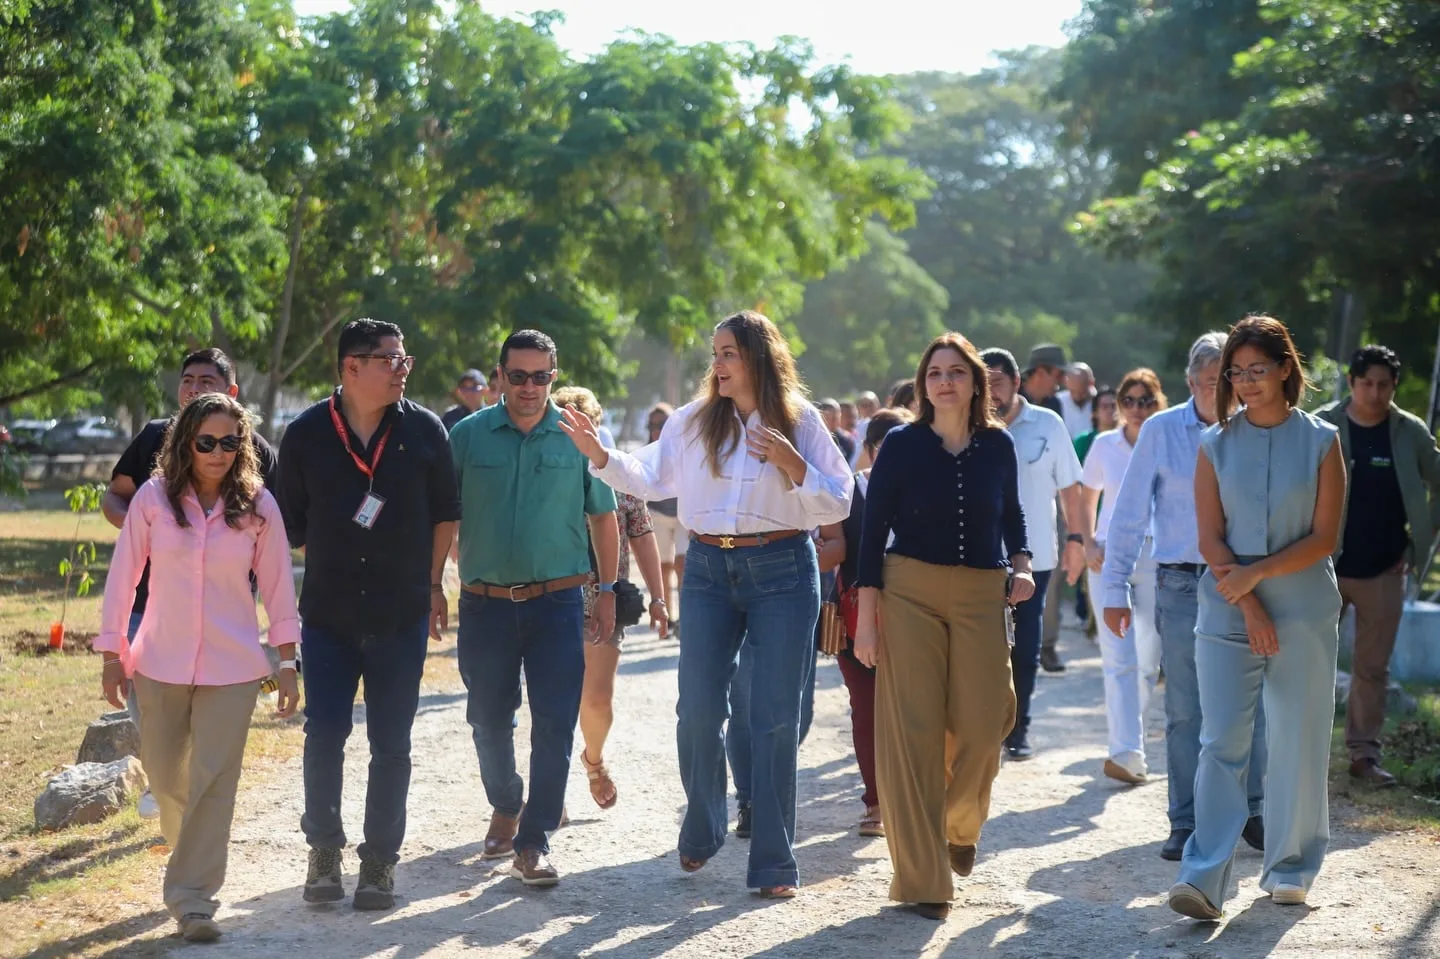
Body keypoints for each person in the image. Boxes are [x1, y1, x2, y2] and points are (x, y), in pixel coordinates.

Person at [560, 309, 852, 899]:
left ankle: (773, 861)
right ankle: (703, 822)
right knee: (695, 708)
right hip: (709, 572)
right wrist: (600, 456)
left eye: (728, 353)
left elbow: (839, 501)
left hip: (784, 571)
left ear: (759, 358)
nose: (716, 364)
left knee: (772, 718)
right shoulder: (693, 422)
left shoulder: (800, 420)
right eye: (714, 353)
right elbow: (647, 476)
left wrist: (794, 465)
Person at [96, 393, 299, 942]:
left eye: (230, 442)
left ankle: (193, 900)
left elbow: (280, 587)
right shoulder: (153, 501)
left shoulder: (259, 506)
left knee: (215, 783)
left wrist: (286, 659)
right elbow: (124, 578)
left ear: (242, 446)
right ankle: (191, 852)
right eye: (207, 441)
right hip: (158, 662)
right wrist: (113, 652)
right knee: (165, 779)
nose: (218, 452)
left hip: (232, 668)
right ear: (187, 441)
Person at [279, 318, 461, 910]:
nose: (402, 368)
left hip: (400, 615)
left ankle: (380, 862)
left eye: (405, 358)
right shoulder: (306, 433)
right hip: (328, 618)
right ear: (351, 367)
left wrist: (433, 583)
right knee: (324, 734)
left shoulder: (426, 429)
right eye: (390, 359)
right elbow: (290, 523)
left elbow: (445, 514)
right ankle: (324, 850)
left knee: (391, 742)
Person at [1168, 315, 1346, 919]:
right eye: (1235, 373)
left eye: (1257, 370)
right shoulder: (1213, 444)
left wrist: (1257, 577)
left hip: (1305, 607)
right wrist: (1245, 598)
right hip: (1226, 601)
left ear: (1286, 369)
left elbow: (1325, 537)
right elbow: (1210, 538)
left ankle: (1292, 868)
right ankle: (1203, 877)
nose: (1245, 383)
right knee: (1221, 741)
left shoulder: (1323, 442)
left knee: (1298, 739)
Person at [852, 333, 1033, 921]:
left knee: (987, 722)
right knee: (915, 734)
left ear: (976, 381)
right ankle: (924, 881)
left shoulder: (998, 445)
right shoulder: (901, 444)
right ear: (923, 383)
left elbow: (1011, 513)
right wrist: (868, 621)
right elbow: (873, 530)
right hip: (909, 593)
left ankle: (960, 825)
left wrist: (1023, 565)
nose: (945, 382)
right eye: (934, 373)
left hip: (984, 592)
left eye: (957, 371)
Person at [450, 331, 619, 888]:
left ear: (554, 375)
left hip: (558, 603)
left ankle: (535, 840)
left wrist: (610, 590)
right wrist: (436, 581)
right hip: (485, 605)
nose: (529, 387)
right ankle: (506, 801)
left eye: (540, 376)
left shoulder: (578, 438)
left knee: (554, 723)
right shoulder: (467, 437)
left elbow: (602, 515)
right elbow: (443, 515)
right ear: (498, 376)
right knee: (487, 718)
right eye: (517, 376)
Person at [1101, 332, 1267, 862]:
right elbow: (1127, 513)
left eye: (1238, 378)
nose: (1230, 388)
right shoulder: (1160, 430)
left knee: (1252, 701)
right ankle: (1186, 820)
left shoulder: (1258, 427)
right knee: (1185, 709)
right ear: (1193, 382)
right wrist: (1115, 587)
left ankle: (1254, 812)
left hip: (1246, 581)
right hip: (1180, 581)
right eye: (1219, 379)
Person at [102, 347, 279, 821]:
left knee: (209, 715)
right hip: (147, 605)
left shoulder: (255, 451)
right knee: (153, 707)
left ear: (232, 394)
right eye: (188, 380)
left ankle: (186, 797)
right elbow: (116, 497)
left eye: (207, 380)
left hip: (224, 611)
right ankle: (167, 780)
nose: (195, 389)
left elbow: (271, 536)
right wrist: (148, 534)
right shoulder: (153, 438)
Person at [1317, 345, 1440, 787]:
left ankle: (1363, 755)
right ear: (1351, 381)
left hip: (1386, 568)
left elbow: (1437, 484)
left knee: (1372, 668)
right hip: (1321, 566)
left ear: (1393, 387)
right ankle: (1299, 752)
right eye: (1366, 383)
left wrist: (1414, 548)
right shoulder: (1323, 424)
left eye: (1383, 385)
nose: (1374, 393)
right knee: (1308, 659)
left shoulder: (1410, 432)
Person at [551, 385, 669, 811]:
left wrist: (658, 598)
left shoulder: (618, 474)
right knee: (553, 699)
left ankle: (593, 761)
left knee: (596, 698)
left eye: (588, 426)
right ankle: (550, 787)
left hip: (604, 600)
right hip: (548, 600)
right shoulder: (542, 475)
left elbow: (641, 534)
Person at [982, 348, 1084, 759]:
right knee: (983, 652)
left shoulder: (1047, 425)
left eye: (997, 384)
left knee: (1024, 649)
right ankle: (985, 728)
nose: (990, 394)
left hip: (1037, 558)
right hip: (980, 559)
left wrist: (1076, 538)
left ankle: (1018, 728)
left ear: (1016, 383)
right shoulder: (967, 429)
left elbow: (1070, 488)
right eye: (983, 385)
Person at [1075, 368, 1167, 784]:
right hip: (1109, 557)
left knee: (1147, 659)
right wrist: (1086, 542)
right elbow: (1084, 496)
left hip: (1156, 556)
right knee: (1118, 657)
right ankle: (1126, 751)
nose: (1135, 408)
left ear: (1157, 403)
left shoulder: (1167, 441)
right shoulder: (1103, 445)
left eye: (1144, 400)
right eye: (1127, 401)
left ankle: (1135, 741)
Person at [834, 406, 913, 839]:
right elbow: (833, 548)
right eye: (885, 446)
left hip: (915, 619)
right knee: (866, 711)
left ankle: (910, 800)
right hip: (855, 618)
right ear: (868, 450)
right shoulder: (848, 491)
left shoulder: (928, 491)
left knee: (912, 714)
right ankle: (875, 802)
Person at [645, 403, 686, 635]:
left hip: (682, 515)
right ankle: (666, 618)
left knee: (683, 565)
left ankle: (683, 618)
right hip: (657, 514)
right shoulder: (647, 452)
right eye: (652, 425)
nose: (656, 430)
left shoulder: (685, 449)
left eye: (662, 425)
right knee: (663, 566)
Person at [1073, 386, 1118, 465]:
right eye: (1105, 407)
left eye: (1113, 406)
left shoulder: (1127, 439)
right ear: (1095, 413)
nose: (1110, 410)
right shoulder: (1083, 441)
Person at [1021, 344, 1066, 417]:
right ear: (1040, 372)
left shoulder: (1054, 404)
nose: (1062, 381)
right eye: (1058, 375)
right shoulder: (1011, 399)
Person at [1058, 361, 1098, 440]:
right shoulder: (1058, 402)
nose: (1077, 397)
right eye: (1072, 391)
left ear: (1091, 383)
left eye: (1081, 392)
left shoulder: (1103, 404)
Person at [817, 398, 857, 465]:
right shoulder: (812, 439)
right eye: (828, 418)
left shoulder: (847, 441)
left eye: (836, 418)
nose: (833, 422)